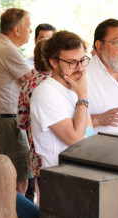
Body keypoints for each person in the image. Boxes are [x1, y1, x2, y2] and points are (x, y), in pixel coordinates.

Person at [0, 8, 34, 195]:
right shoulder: (6, 50)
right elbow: (32, 82)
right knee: (19, 183)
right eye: (28, 26)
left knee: (4, 181)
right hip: (5, 123)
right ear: (17, 29)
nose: (31, 30)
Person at [30, 30, 94, 168]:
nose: (80, 68)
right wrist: (82, 97)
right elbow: (76, 139)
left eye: (83, 60)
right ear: (53, 62)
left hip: (82, 173)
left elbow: (87, 132)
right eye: (72, 62)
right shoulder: (46, 92)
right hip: (60, 179)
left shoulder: (74, 87)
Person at [18, 39, 51, 202]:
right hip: (60, 152)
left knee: (42, 197)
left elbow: (22, 121)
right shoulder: (60, 85)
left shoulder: (27, 85)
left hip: (37, 150)